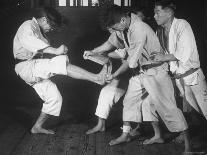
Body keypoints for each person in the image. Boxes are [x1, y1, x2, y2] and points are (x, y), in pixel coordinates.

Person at [92, 5, 191, 152]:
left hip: (157, 72)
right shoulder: (124, 27)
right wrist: (93, 51)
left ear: (123, 20)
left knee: (168, 108)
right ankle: (127, 134)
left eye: (114, 27)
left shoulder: (139, 29)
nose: (114, 31)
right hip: (142, 72)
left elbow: (131, 61)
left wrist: (110, 66)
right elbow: (111, 42)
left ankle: (189, 147)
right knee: (129, 101)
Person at [13, 7, 107, 135]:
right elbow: (30, 41)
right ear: (44, 20)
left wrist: (54, 52)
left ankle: (37, 127)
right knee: (60, 62)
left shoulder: (40, 32)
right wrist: (55, 51)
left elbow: (39, 51)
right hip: (26, 67)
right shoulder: (28, 25)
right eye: (51, 26)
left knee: (54, 97)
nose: (51, 29)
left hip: (32, 69)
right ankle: (97, 78)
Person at [153, 0, 207, 130]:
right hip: (179, 78)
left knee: (205, 110)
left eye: (157, 12)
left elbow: (184, 52)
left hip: (193, 76)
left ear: (169, 12)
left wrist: (163, 57)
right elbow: (159, 53)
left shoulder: (182, 25)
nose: (154, 16)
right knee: (193, 111)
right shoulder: (159, 32)